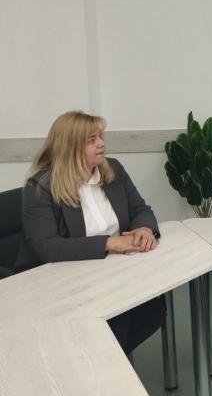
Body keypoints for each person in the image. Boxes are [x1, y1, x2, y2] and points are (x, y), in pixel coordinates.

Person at [15, 110, 164, 355]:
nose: (101, 144)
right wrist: (109, 243)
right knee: (117, 314)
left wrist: (144, 228)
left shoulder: (113, 170)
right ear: (69, 146)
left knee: (153, 308)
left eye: (100, 137)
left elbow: (140, 209)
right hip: (59, 283)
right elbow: (48, 247)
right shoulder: (40, 187)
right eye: (91, 140)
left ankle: (107, 359)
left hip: (109, 273)